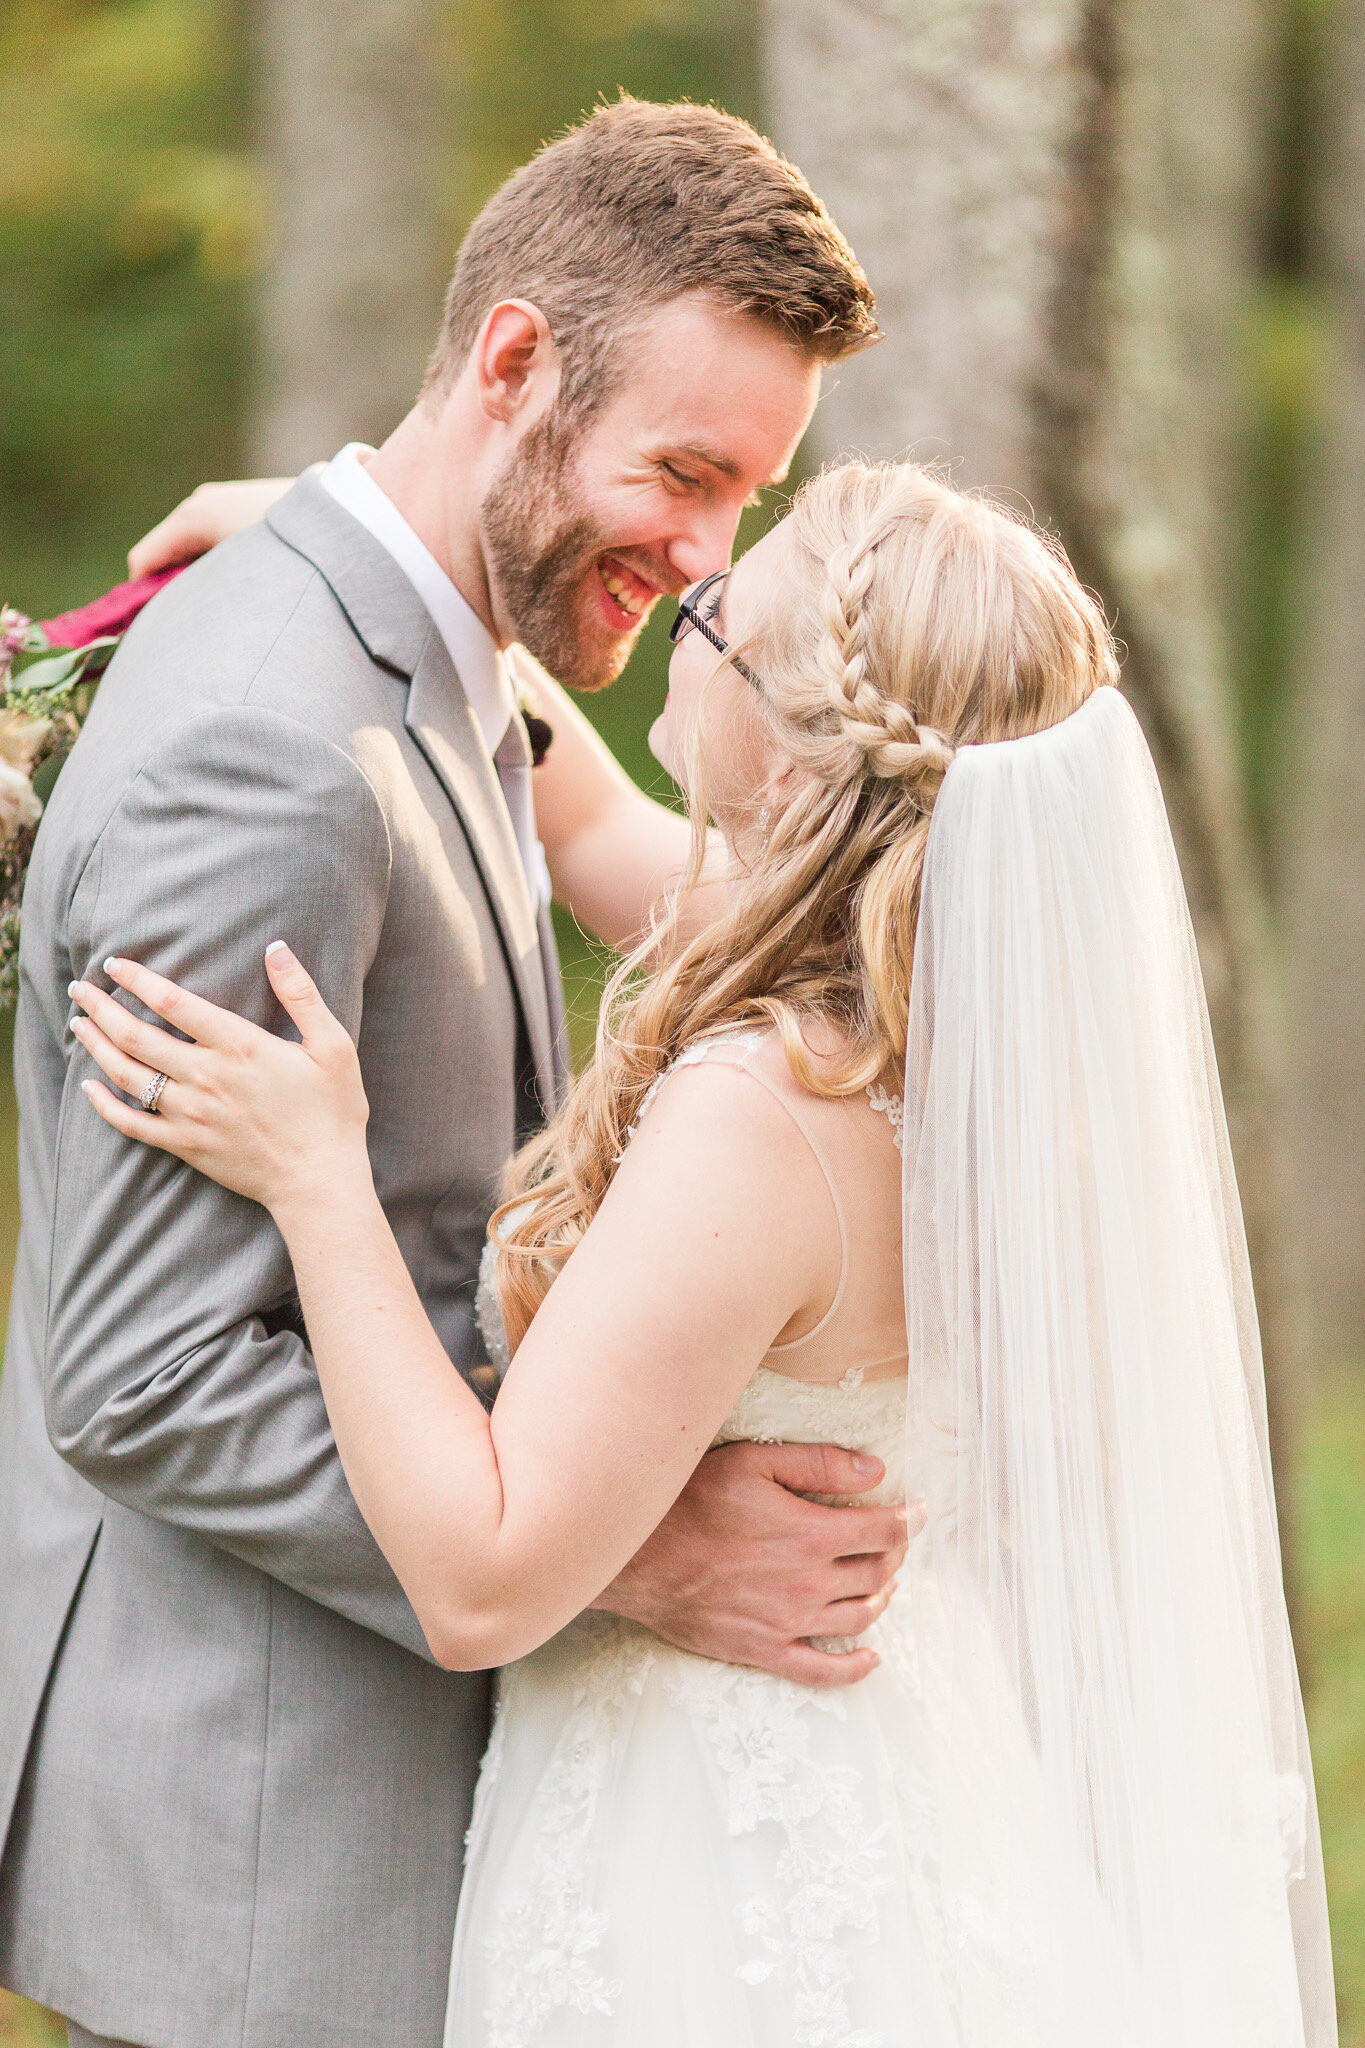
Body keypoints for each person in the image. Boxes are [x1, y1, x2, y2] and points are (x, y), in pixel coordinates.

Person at [66, 461, 1336, 2045]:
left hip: (715, 1869)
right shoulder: (932, 1027)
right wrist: (350, 536)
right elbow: (582, 804)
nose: (689, 601)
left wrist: (316, 1177)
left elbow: (481, 1575)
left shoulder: (760, 1115)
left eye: (727, 620)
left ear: (798, 775)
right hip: (885, 1782)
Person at [0, 101, 905, 2048]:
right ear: (511, 361)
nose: (700, 560)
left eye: (743, 498)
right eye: (682, 471)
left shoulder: (430, 653)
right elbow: (139, 1373)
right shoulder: (269, 738)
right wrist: (626, 1548)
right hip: (252, 1875)